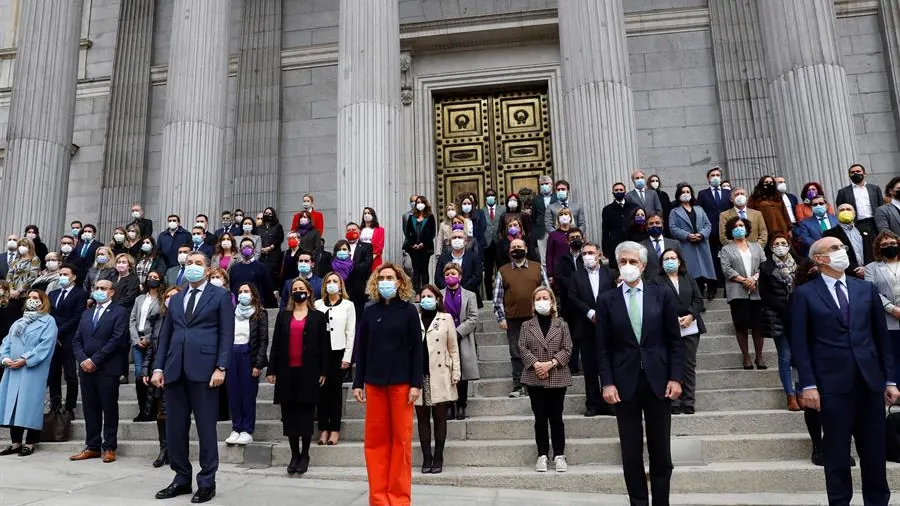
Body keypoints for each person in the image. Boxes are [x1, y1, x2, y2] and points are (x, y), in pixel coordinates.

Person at [790, 237, 897, 506]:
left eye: (843, 248)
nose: (842, 252)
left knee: (874, 453)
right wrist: (808, 385)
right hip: (831, 386)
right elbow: (801, 344)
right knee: (836, 454)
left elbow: (880, 337)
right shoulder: (805, 294)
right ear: (819, 259)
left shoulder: (865, 289)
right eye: (835, 249)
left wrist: (890, 380)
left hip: (869, 383)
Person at [597, 241, 683, 506]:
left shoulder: (661, 294)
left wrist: (676, 377)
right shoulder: (607, 299)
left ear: (643, 266)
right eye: (623, 262)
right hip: (624, 384)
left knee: (660, 452)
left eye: (633, 262)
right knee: (631, 452)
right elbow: (603, 347)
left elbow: (674, 340)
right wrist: (607, 383)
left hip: (659, 381)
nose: (627, 266)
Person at [151, 252, 235, 504]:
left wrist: (221, 367)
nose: (193, 267)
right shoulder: (176, 299)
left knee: (206, 428)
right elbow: (165, 335)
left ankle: (207, 481)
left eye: (198, 264)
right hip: (175, 370)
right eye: (189, 263)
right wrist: (158, 368)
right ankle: (181, 478)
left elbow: (226, 334)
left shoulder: (219, 296)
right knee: (175, 429)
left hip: (205, 370)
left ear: (208, 270)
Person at [352, 263, 423, 506]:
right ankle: (379, 499)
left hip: (402, 385)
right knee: (375, 442)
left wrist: (416, 383)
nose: (385, 281)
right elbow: (361, 349)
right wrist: (357, 382)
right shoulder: (369, 311)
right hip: (374, 383)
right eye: (381, 277)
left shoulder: (409, 311)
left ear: (400, 282)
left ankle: (399, 498)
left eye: (390, 277)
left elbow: (417, 350)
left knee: (401, 442)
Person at [266, 276, 328, 474]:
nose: (298, 291)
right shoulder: (284, 316)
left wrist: (323, 370)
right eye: (295, 288)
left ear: (309, 292)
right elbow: (275, 345)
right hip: (287, 371)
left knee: (306, 415)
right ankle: (294, 454)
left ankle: (305, 454)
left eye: (301, 288)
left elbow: (324, 346)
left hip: (308, 371)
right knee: (290, 415)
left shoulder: (318, 317)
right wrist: (272, 369)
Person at [70, 279, 129, 463]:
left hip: (107, 368)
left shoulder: (120, 312)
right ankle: (92, 446)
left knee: (109, 408)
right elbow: (77, 340)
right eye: (97, 288)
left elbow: (117, 339)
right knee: (90, 409)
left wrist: (94, 360)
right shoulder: (87, 314)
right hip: (86, 369)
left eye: (103, 288)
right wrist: (83, 360)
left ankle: (109, 447)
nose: (99, 291)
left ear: (111, 292)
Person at [517, 285, 572, 473]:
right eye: (538, 299)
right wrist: (536, 364)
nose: (542, 302)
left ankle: (559, 454)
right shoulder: (526, 325)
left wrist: (551, 363)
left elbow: (568, 348)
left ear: (552, 302)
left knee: (556, 417)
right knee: (540, 418)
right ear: (533, 303)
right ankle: (542, 454)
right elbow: (522, 348)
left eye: (545, 298)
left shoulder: (561, 324)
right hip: (534, 377)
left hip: (557, 375)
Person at [0, 290, 57, 456]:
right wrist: (5, 358)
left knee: (30, 404)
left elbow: (45, 346)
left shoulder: (48, 321)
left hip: (33, 369)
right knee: (13, 405)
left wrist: (25, 359)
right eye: (29, 298)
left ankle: (31, 442)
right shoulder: (19, 322)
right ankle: (15, 442)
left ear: (42, 301)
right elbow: (7, 342)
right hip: (13, 369)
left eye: (35, 298)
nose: (31, 300)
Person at [494, 239, 550, 398]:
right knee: (516, 352)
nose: (516, 249)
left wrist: (549, 313)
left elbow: (547, 292)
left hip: (536, 317)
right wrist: (501, 318)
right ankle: (519, 385)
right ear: (509, 251)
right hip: (513, 319)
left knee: (538, 350)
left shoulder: (537, 268)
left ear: (526, 248)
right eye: (513, 247)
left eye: (519, 247)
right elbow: (498, 298)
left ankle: (539, 382)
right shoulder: (503, 271)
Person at [566, 242, 616, 416]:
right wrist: (589, 312)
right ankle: (593, 403)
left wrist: (603, 313)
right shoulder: (576, 276)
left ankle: (610, 403)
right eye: (584, 253)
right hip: (586, 328)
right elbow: (571, 296)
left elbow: (616, 296)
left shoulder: (611, 274)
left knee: (609, 365)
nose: (587, 255)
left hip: (608, 327)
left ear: (599, 254)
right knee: (590, 368)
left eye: (591, 252)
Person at [414, 285, 460, 475]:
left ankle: (439, 457)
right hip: (420, 374)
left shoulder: (446, 318)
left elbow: (453, 347)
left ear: (437, 299)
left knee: (440, 418)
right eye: (423, 296)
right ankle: (426, 457)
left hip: (441, 373)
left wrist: (456, 372)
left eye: (429, 296)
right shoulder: (414, 319)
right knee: (423, 419)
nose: (426, 299)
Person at [657, 248, 705, 414]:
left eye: (673, 258)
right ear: (662, 263)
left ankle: (689, 401)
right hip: (668, 328)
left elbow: (698, 300)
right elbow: (655, 303)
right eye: (666, 259)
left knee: (689, 365)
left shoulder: (688, 277)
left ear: (679, 261)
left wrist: (691, 315)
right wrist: (671, 318)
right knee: (671, 363)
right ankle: (674, 401)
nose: (670, 261)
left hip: (690, 327)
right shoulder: (656, 281)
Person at [758, 232, 803, 411]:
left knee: (799, 357)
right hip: (778, 317)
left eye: (783, 243)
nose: (780, 246)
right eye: (776, 243)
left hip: (799, 316)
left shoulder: (799, 265)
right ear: (771, 247)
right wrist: (784, 308)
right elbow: (765, 294)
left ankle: (800, 391)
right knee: (785, 355)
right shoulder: (766, 267)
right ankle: (790, 394)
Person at [314, 272, 355, 446]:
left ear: (340, 285)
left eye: (335, 281)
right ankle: (323, 428)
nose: (331, 284)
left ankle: (335, 429)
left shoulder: (348, 305)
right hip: (320, 354)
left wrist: (347, 357)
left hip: (338, 352)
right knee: (321, 392)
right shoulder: (317, 304)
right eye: (328, 281)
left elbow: (350, 332)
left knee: (335, 393)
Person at [142, 286, 181, 468]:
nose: (170, 300)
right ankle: (163, 449)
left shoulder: (183, 320)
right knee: (161, 413)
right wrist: (145, 370)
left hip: (177, 371)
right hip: (158, 371)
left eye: (175, 297)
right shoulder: (158, 319)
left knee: (175, 413)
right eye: (168, 297)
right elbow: (152, 347)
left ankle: (175, 450)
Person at [719, 216, 766, 369]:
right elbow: (726, 269)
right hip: (737, 291)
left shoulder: (756, 247)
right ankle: (746, 357)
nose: (739, 228)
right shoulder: (726, 249)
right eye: (735, 226)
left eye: (741, 225)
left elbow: (764, 265)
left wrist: (754, 279)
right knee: (741, 325)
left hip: (756, 290)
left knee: (758, 325)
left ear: (746, 229)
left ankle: (759, 357)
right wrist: (744, 280)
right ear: (731, 231)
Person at [225, 283, 268, 447]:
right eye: (240, 291)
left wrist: (258, 364)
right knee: (234, 393)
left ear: (253, 294)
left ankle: (247, 430)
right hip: (232, 354)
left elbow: (263, 340)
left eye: (246, 291)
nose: (243, 294)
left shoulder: (260, 313)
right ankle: (236, 428)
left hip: (248, 355)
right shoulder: (231, 313)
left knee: (248, 394)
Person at [47, 265, 87, 415]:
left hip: (69, 337)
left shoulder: (80, 293)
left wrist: (59, 331)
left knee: (70, 374)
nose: (62, 276)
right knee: (53, 374)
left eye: (65, 274)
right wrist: (52, 331)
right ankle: (55, 405)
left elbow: (77, 316)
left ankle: (70, 406)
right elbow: (48, 313)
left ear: (73, 277)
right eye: (60, 273)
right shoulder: (53, 293)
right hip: (53, 338)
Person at [440, 263, 478, 420]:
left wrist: (457, 332)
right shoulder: (439, 294)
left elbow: (473, 317)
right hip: (443, 339)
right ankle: (449, 405)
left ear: (460, 276)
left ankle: (462, 405)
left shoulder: (470, 295)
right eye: (447, 273)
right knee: (447, 372)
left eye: (453, 273)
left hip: (462, 338)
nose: (450, 276)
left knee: (462, 374)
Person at [669, 183, 717, 299]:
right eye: (683, 192)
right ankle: (698, 293)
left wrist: (701, 234)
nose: (686, 194)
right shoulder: (674, 212)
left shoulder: (699, 209)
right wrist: (688, 235)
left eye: (688, 192)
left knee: (707, 267)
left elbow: (707, 224)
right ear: (678, 195)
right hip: (687, 244)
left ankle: (711, 290)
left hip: (702, 243)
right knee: (693, 270)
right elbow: (673, 228)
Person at [866, 231, 900, 384]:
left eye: (892, 243)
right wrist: (892, 309)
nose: (889, 247)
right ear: (878, 248)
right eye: (884, 245)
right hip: (889, 321)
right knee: (894, 358)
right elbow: (872, 292)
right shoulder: (871, 268)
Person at [129, 272, 163, 422]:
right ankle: (142, 409)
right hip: (137, 340)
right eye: (150, 277)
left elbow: (160, 323)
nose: (152, 280)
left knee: (150, 373)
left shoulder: (162, 300)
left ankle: (153, 409)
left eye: (155, 278)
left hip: (152, 340)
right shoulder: (139, 299)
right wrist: (136, 339)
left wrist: (148, 339)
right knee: (138, 374)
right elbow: (132, 319)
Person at [824, 203, 874, 279]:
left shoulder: (866, 229)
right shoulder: (829, 234)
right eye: (842, 210)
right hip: (848, 275)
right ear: (837, 215)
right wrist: (856, 270)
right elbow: (834, 255)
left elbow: (873, 250)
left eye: (848, 209)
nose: (845, 211)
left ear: (854, 214)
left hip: (871, 272)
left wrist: (867, 268)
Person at [836, 164, 882, 235]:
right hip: (856, 225)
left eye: (858, 171)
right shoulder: (843, 192)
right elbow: (840, 209)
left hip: (874, 224)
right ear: (849, 176)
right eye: (852, 172)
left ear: (865, 174)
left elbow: (881, 206)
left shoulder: (875, 188)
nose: (855, 173)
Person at [434, 228, 482, 294]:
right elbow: (438, 278)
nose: (457, 239)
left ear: (465, 242)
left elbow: (477, 276)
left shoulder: (474, 257)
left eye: (460, 237)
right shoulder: (443, 258)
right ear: (450, 242)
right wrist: (450, 289)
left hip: (469, 295)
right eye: (454, 237)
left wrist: (461, 290)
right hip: (448, 296)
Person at [230, 238, 276, 308]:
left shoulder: (262, 267)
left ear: (254, 250)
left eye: (249, 246)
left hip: (257, 306)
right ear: (240, 250)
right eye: (244, 247)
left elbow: (268, 289)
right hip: (238, 306)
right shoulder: (234, 268)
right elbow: (232, 288)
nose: (247, 248)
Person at [404, 196, 437, 292]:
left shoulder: (430, 217)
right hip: (414, 248)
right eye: (417, 202)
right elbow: (407, 233)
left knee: (424, 270)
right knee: (416, 270)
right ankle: (417, 292)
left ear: (425, 204)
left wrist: (424, 244)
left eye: (421, 202)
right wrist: (412, 244)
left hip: (425, 248)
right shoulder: (411, 218)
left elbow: (432, 233)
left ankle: (425, 291)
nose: (419, 204)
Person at [601, 182, 640, 261]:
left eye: (621, 190)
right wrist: (606, 250)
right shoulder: (607, 210)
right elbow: (605, 231)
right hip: (615, 246)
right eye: (616, 190)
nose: (619, 192)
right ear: (613, 193)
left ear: (625, 191)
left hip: (632, 243)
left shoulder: (634, 207)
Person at [344, 224, 375, 314]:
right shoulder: (341, 246)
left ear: (359, 232)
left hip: (360, 285)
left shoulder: (366, 246)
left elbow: (367, 263)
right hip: (345, 285)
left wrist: (350, 267)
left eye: (353, 229)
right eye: (348, 230)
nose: (351, 232)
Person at [641, 214, 681, 279]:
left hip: (673, 281)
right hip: (651, 284)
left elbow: (682, 265)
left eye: (657, 223)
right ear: (647, 228)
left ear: (662, 226)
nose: (654, 225)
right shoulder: (641, 246)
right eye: (651, 223)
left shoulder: (675, 244)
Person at [483, 189, 506, 297]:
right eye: (488, 195)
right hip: (487, 245)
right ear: (486, 197)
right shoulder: (481, 211)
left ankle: (503, 294)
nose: (490, 197)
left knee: (501, 270)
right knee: (488, 273)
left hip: (499, 243)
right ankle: (488, 297)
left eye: (492, 195)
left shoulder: (503, 210)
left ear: (495, 197)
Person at [532, 175, 557, 267]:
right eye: (542, 184)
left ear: (551, 184)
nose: (544, 186)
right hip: (541, 231)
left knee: (556, 254)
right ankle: (546, 278)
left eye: (546, 183)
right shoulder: (536, 199)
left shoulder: (557, 197)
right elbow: (533, 217)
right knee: (543, 257)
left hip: (555, 228)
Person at [258, 207, 285, 288]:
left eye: (270, 214)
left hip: (274, 256)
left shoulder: (278, 226)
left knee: (272, 276)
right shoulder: (259, 227)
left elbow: (280, 238)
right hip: (261, 255)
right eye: (266, 213)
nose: (267, 215)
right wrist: (261, 248)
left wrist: (271, 247)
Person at [546, 208, 576, 278]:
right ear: (558, 219)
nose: (563, 216)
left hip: (574, 269)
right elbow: (549, 255)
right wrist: (550, 273)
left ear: (570, 217)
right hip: (559, 270)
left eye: (566, 214)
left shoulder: (575, 233)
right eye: (561, 214)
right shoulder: (553, 235)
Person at [360, 207, 385, 272]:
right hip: (361, 259)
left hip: (374, 259)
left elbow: (379, 247)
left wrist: (370, 259)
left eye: (369, 213)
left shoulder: (380, 230)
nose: (366, 215)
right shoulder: (360, 230)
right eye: (365, 213)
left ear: (373, 215)